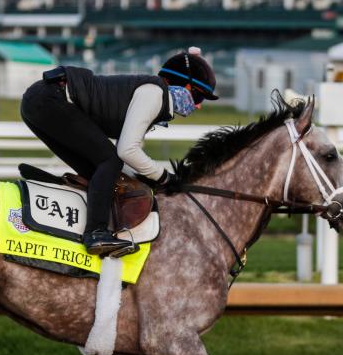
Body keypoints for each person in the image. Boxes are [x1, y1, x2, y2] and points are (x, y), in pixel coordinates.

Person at [20, 47, 218, 256]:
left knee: (101, 170)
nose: (198, 107)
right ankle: (95, 233)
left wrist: (150, 176)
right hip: (51, 99)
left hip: (40, 100)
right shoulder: (154, 93)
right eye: (199, 97)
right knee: (110, 162)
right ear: (183, 85)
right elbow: (127, 150)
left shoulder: (152, 94)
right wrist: (164, 178)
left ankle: (59, 195)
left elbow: (130, 151)